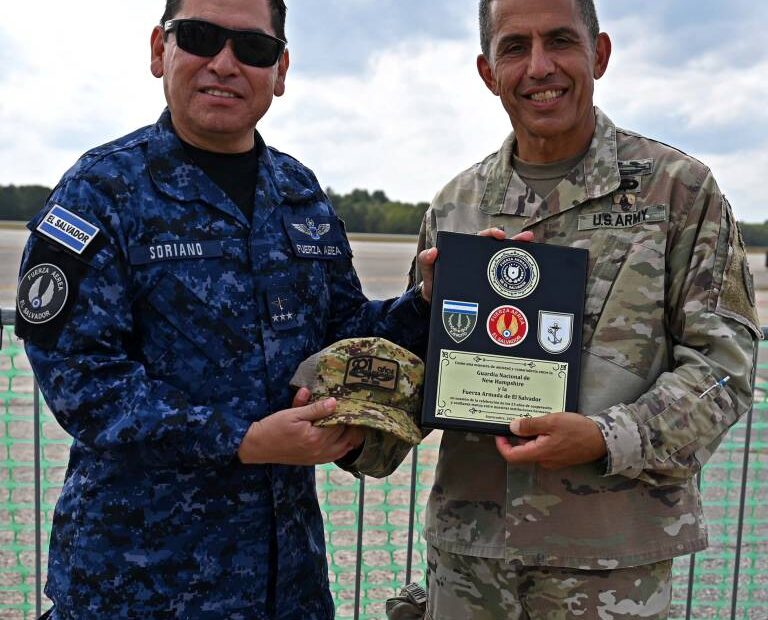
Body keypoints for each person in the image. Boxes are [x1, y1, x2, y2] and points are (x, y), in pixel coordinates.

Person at [15, 0, 434, 618]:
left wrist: (425, 304)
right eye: (201, 37)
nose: (224, 63)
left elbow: (344, 341)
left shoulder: (299, 196)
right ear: (160, 50)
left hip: (281, 584)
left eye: (252, 48)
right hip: (134, 586)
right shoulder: (101, 192)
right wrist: (241, 440)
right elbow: (83, 380)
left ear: (281, 70)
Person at [345, 1, 763, 618]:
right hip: (471, 566)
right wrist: (351, 421)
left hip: (609, 571)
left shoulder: (678, 191)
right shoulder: (456, 206)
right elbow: (425, 373)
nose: (540, 66)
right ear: (489, 72)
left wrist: (606, 437)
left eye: (560, 41)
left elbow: (724, 368)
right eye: (515, 47)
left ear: (599, 54)